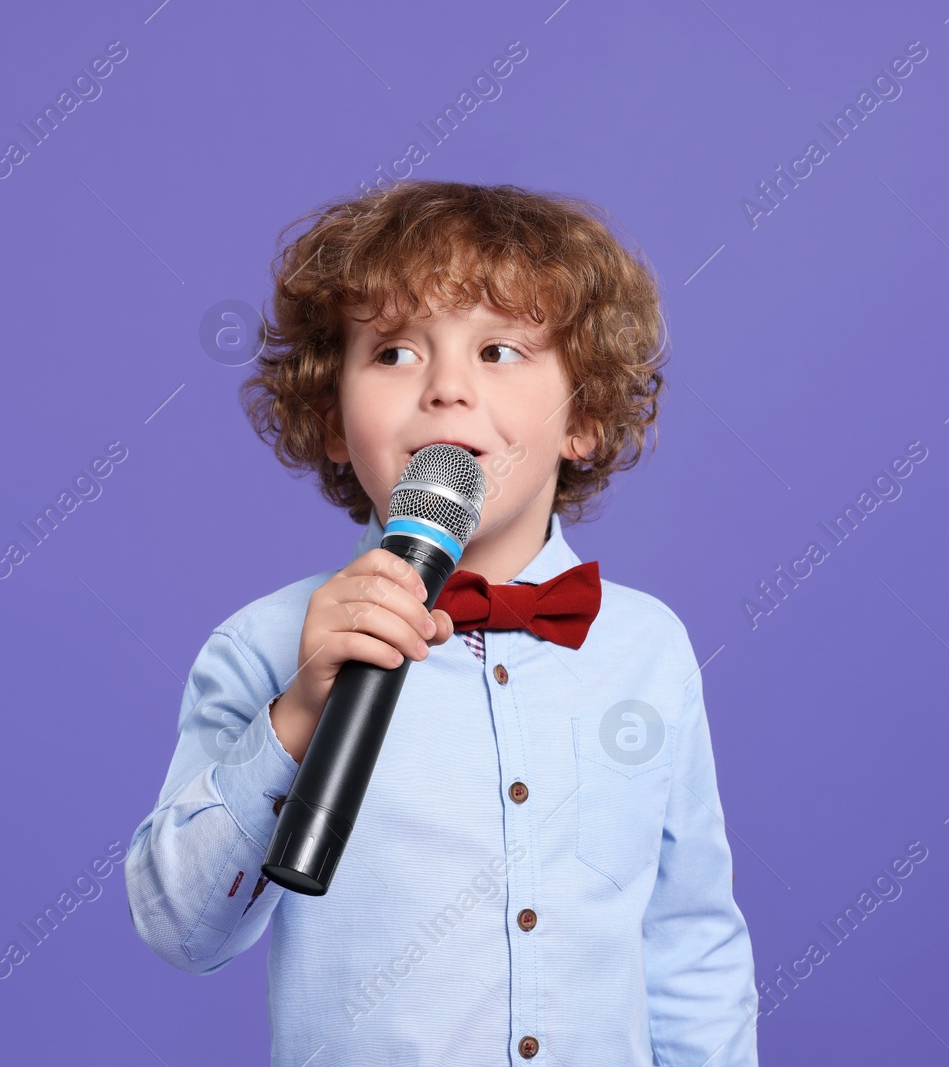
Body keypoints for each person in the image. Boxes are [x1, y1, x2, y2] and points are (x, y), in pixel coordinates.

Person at [124, 180, 758, 1064]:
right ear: (333, 415)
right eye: (393, 353)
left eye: (500, 350)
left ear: (583, 416)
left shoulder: (647, 648)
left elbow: (691, 942)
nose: (448, 389)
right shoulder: (264, 645)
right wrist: (300, 713)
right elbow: (182, 927)